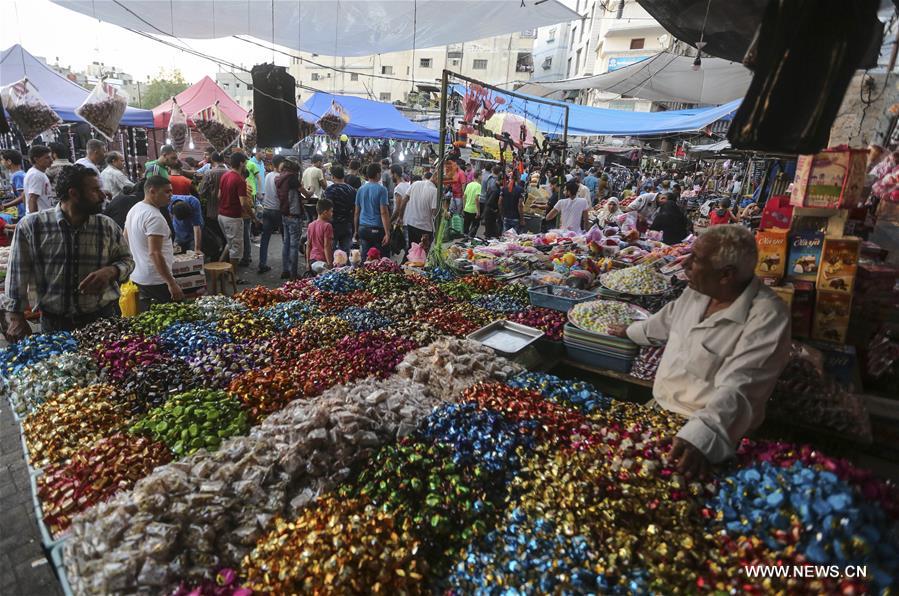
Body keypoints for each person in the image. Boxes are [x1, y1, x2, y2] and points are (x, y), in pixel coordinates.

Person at [609, 225, 791, 479]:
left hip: (710, 432)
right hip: (659, 410)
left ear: (726, 274)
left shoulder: (767, 317)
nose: (685, 263)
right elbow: (664, 323)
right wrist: (629, 330)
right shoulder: (697, 292)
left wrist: (701, 436)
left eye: (697, 259)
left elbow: (741, 387)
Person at [3, 164, 134, 338]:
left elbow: (127, 260)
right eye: (95, 190)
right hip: (55, 324)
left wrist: (112, 271)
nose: (103, 195)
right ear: (74, 193)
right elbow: (17, 274)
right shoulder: (32, 226)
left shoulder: (106, 226)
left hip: (103, 318)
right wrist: (16, 318)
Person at [124, 176, 182, 311]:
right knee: (174, 318)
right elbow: (155, 253)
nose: (171, 195)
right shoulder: (154, 217)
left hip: (138, 276)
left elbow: (125, 239)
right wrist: (171, 283)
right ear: (152, 191)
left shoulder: (135, 209)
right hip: (156, 279)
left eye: (171, 191)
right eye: (167, 192)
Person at [218, 153, 250, 273]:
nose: (246, 165)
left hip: (221, 215)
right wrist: (254, 218)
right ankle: (233, 276)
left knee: (230, 244)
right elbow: (244, 203)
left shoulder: (225, 176)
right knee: (235, 248)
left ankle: (220, 267)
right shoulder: (240, 180)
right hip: (232, 217)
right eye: (245, 162)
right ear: (241, 163)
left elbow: (219, 195)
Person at [276, 159, 305, 279]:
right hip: (294, 215)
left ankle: (285, 270)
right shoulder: (292, 178)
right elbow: (305, 193)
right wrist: (310, 192)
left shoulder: (279, 177)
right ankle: (293, 273)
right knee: (293, 245)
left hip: (284, 213)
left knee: (286, 243)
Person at [354, 163, 391, 258]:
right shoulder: (382, 190)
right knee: (380, 258)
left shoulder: (360, 189)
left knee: (366, 256)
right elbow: (383, 212)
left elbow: (357, 212)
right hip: (377, 228)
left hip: (363, 228)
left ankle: (363, 271)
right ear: (378, 174)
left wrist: (356, 230)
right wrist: (387, 233)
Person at [258, 154, 285, 274]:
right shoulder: (281, 177)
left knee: (265, 238)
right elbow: (282, 196)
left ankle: (262, 263)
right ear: (280, 164)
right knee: (286, 238)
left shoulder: (268, 175)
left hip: (267, 209)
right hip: (277, 210)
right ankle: (287, 265)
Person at [198, 152, 228, 258]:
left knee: (214, 236)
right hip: (227, 211)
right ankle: (226, 259)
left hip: (212, 211)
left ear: (213, 160)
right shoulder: (230, 173)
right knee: (226, 237)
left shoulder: (210, 173)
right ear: (223, 160)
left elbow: (201, 192)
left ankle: (216, 257)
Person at [324, 164, 357, 254]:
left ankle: (333, 267)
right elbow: (355, 209)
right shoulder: (352, 190)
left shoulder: (330, 190)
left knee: (331, 252)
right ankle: (345, 268)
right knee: (345, 252)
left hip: (333, 225)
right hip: (347, 224)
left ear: (333, 176)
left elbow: (327, 208)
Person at [401, 171, 438, 250]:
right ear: (436, 178)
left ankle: (407, 262)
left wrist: (401, 217)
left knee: (411, 250)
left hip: (411, 224)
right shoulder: (435, 191)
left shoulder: (415, 184)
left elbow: (404, 200)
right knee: (422, 254)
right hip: (425, 229)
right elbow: (435, 212)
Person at [305, 197, 334, 272]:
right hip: (322, 261)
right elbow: (327, 246)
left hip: (312, 261)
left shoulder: (311, 225)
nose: (332, 214)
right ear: (325, 212)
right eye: (331, 211)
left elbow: (308, 245)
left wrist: (307, 263)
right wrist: (330, 264)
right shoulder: (327, 226)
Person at [24, 145, 54, 214]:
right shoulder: (36, 175)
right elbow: (32, 199)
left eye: (51, 157)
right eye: (47, 158)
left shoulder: (39, 173)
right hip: (41, 218)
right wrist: (35, 220)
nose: (51, 160)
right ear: (36, 159)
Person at [1, 149, 26, 218]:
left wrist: (5, 206)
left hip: (24, 212)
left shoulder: (17, 176)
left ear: (9, 161)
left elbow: (22, 197)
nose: (1, 162)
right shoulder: (20, 174)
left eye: (2, 159)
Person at [302, 154, 326, 223]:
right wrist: (323, 173)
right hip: (316, 201)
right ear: (319, 162)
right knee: (317, 221)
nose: (322, 165)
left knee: (309, 221)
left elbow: (302, 185)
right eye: (322, 163)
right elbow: (324, 186)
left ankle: (310, 233)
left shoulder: (305, 171)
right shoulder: (319, 171)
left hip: (307, 200)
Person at [482, 165, 502, 238]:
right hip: (490, 210)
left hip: (489, 209)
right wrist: (495, 210)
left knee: (490, 229)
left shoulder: (492, 184)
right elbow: (490, 201)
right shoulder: (495, 189)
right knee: (489, 230)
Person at [462, 172, 482, 237]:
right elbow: (477, 199)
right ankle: (470, 240)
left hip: (467, 208)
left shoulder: (469, 184)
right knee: (474, 226)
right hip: (473, 210)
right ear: (479, 176)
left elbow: (464, 197)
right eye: (481, 176)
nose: (482, 177)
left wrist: (464, 207)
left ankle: (465, 239)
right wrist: (478, 211)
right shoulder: (479, 186)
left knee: (466, 227)